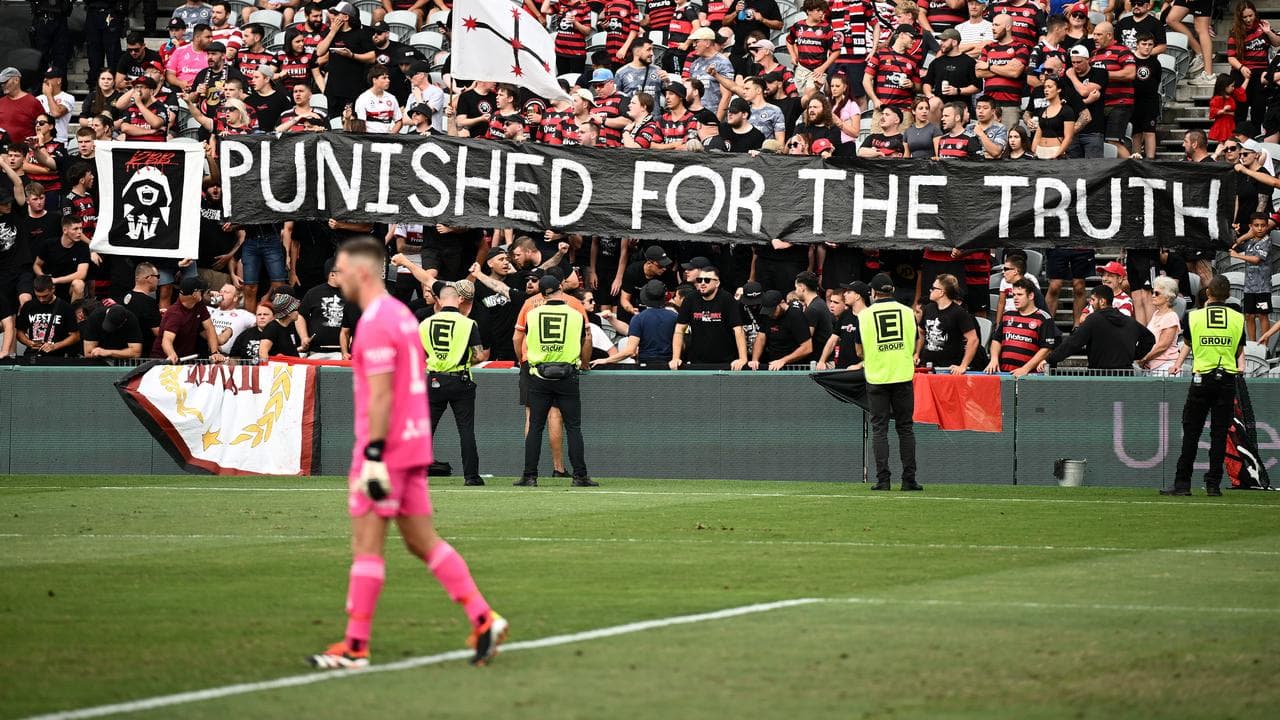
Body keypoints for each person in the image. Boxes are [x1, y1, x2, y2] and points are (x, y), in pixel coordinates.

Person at [309, 236, 507, 669]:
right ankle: (483, 616)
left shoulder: (379, 321)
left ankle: (356, 646)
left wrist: (376, 455)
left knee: (367, 545)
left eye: (341, 270)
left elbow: (381, 396)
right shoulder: (401, 316)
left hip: (387, 447)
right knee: (422, 542)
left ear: (361, 272)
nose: (337, 279)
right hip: (413, 443)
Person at [1162, 275, 1247, 497]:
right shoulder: (1238, 319)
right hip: (1226, 379)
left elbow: (1188, 344)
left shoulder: (1194, 317)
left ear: (1208, 293)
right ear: (1229, 295)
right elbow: (1239, 351)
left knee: (1191, 432)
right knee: (1219, 434)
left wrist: (1177, 365)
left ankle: (1182, 484)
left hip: (1201, 379)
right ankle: (1213, 485)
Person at [517, 274, 596, 488]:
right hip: (567, 374)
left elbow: (520, 338)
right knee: (573, 427)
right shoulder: (575, 314)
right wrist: (584, 363)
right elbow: (586, 340)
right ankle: (579, 476)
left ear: (542, 293)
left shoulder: (532, 315)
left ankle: (530, 475)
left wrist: (523, 361)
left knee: (535, 426)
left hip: (539, 375)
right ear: (561, 287)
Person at [854, 272, 919, 491]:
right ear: (892, 290)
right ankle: (909, 480)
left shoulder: (864, 315)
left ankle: (883, 480)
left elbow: (859, 349)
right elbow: (915, 342)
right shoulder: (908, 312)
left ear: (873, 292)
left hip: (877, 376)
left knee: (879, 429)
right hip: (902, 374)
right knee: (905, 428)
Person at [419, 281, 487, 487]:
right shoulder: (468, 323)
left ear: (438, 300)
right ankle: (471, 477)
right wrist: (463, 359)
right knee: (466, 430)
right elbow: (479, 355)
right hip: (460, 380)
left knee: (426, 430)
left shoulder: (424, 323)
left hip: (434, 379)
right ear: (459, 300)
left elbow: (420, 354)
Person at [1045, 285, 1155, 371]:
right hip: (1125, 377)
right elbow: (1150, 339)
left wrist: (1050, 359)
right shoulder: (1129, 321)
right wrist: (1132, 355)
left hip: (1098, 377)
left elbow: (1072, 343)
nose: (1090, 303)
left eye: (1093, 299)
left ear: (1102, 301)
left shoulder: (1093, 320)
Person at [671, 265, 748, 369]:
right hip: (697, 361)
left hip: (725, 360)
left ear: (717, 283)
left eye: (707, 280)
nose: (702, 283)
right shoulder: (690, 299)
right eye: (699, 280)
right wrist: (675, 358)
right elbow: (679, 329)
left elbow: (738, 330)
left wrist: (743, 358)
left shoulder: (727, 299)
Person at [985, 278, 1058, 377]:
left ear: (1031, 296)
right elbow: (996, 340)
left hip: (1029, 376)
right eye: (1014, 295)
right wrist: (994, 359)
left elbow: (1046, 349)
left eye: (1019, 295)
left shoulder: (1044, 318)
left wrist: (1025, 369)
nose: (1015, 298)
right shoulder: (1007, 315)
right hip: (1004, 374)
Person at [595, 279, 676, 366]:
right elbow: (682, 345)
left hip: (645, 366)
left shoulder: (639, 318)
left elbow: (630, 351)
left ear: (645, 297)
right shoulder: (674, 316)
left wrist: (606, 360)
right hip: (670, 364)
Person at [150, 276, 226, 362]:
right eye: (201, 291)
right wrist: (171, 354)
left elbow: (209, 327)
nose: (203, 293)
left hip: (185, 359)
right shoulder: (175, 314)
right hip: (163, 360)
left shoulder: (199, 304)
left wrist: (214, 352)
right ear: (195, 294)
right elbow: (167, 340)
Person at [916, 273, 978, 374]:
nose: (930, 290)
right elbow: (921, 331)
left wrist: (963, 365)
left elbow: (973, 339)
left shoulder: (959, 312)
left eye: (933, 288)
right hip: (926, 366)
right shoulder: (928, 309)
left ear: (942, 292)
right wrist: (917, 354)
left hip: (948, 369)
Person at [1229, 213, 1272, 342]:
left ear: (1267, 227)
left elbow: (1256, 259)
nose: (1259, 228)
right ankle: (1252, 344)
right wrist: (1245, 236)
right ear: (1250, 226)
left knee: (1263, 315)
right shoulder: (1250, 241)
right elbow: (1233, 246)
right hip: (1249, 288)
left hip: (1262, 288)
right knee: (1248, 316)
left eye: (1263, 226)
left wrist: (1238, 256)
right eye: (1256, 225)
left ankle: (1264, 347)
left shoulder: (1267, 241)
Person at [15, 275, 79, 357]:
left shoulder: (65, 307)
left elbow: (75, 336)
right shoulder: (28, 306)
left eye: (45, 296)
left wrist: (55, 346)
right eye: (38, 296)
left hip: (56, 356)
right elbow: (19, 332)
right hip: (33, 354)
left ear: (53, 289)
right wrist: (29, 343)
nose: (41, 299)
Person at [750, 290, 812, 370]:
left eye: (773, 310)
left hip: (793, 367)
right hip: (773, 365)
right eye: (768, 312)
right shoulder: (767, 316)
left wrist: (783, 361)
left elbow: (807, 347)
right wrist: (755, 359)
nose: (770, 314)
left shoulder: (795, 316)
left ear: (782, 303)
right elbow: (761, 338)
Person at [1138, 276, 1182, 373]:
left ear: (1168, 297)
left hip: (1166, 367)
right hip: (1152, 367)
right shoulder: (1156, 314)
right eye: (1153, 292)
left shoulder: (1171, 316)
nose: (1153, 295)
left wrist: (1144, 359)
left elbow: (1162, 346)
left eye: (1157, 293)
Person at [209, 283, 255, 354]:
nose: (221, 294)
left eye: (226, 292)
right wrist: (207, 293)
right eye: (221, 291)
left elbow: (261, 321)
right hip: (207, 351)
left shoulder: (242, 314)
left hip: (227, 356)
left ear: (235, 298)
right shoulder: (208, 310)